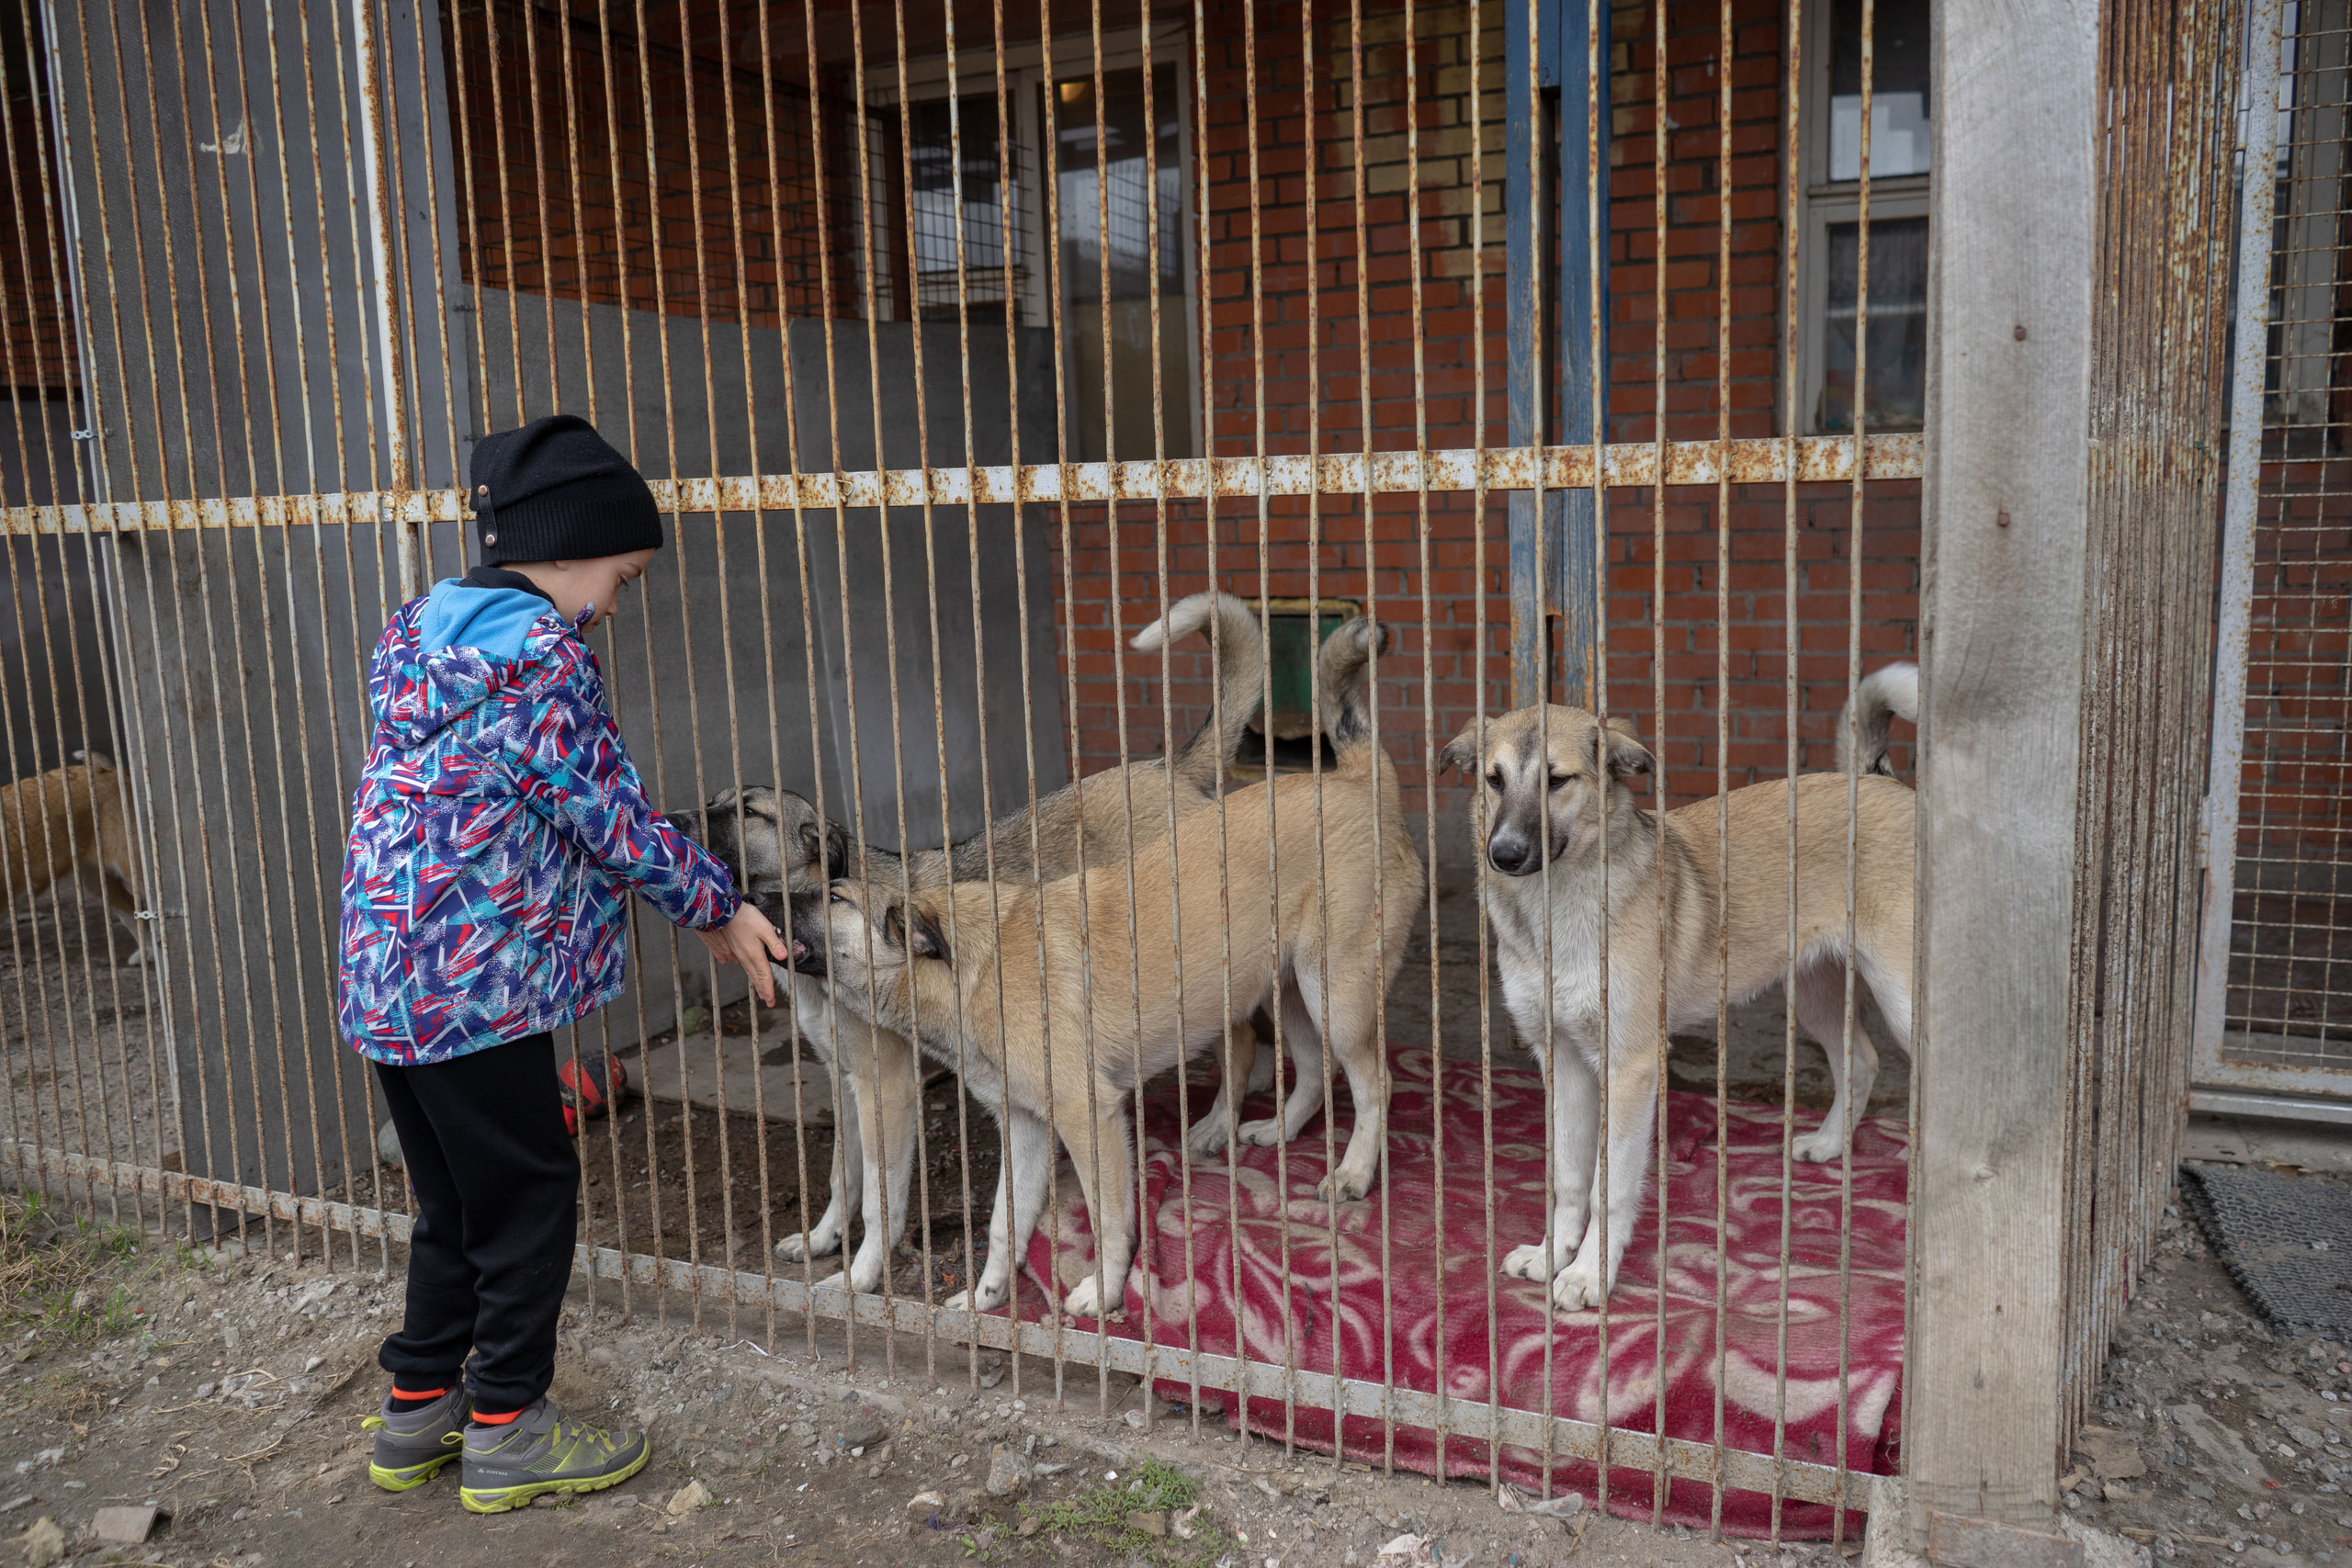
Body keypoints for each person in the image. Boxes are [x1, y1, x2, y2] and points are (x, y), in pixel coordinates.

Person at [336, 413, 784, 1514]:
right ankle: (509, 1432)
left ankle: (417, 1414)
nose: (615, 606)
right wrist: (717, 906)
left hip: (392, 972)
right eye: (621, 578)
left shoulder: (421, 631)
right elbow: (607, 815)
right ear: (566, 552)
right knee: (531, 1195)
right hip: (472, 987)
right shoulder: (541, 655)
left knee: (453, 1203)